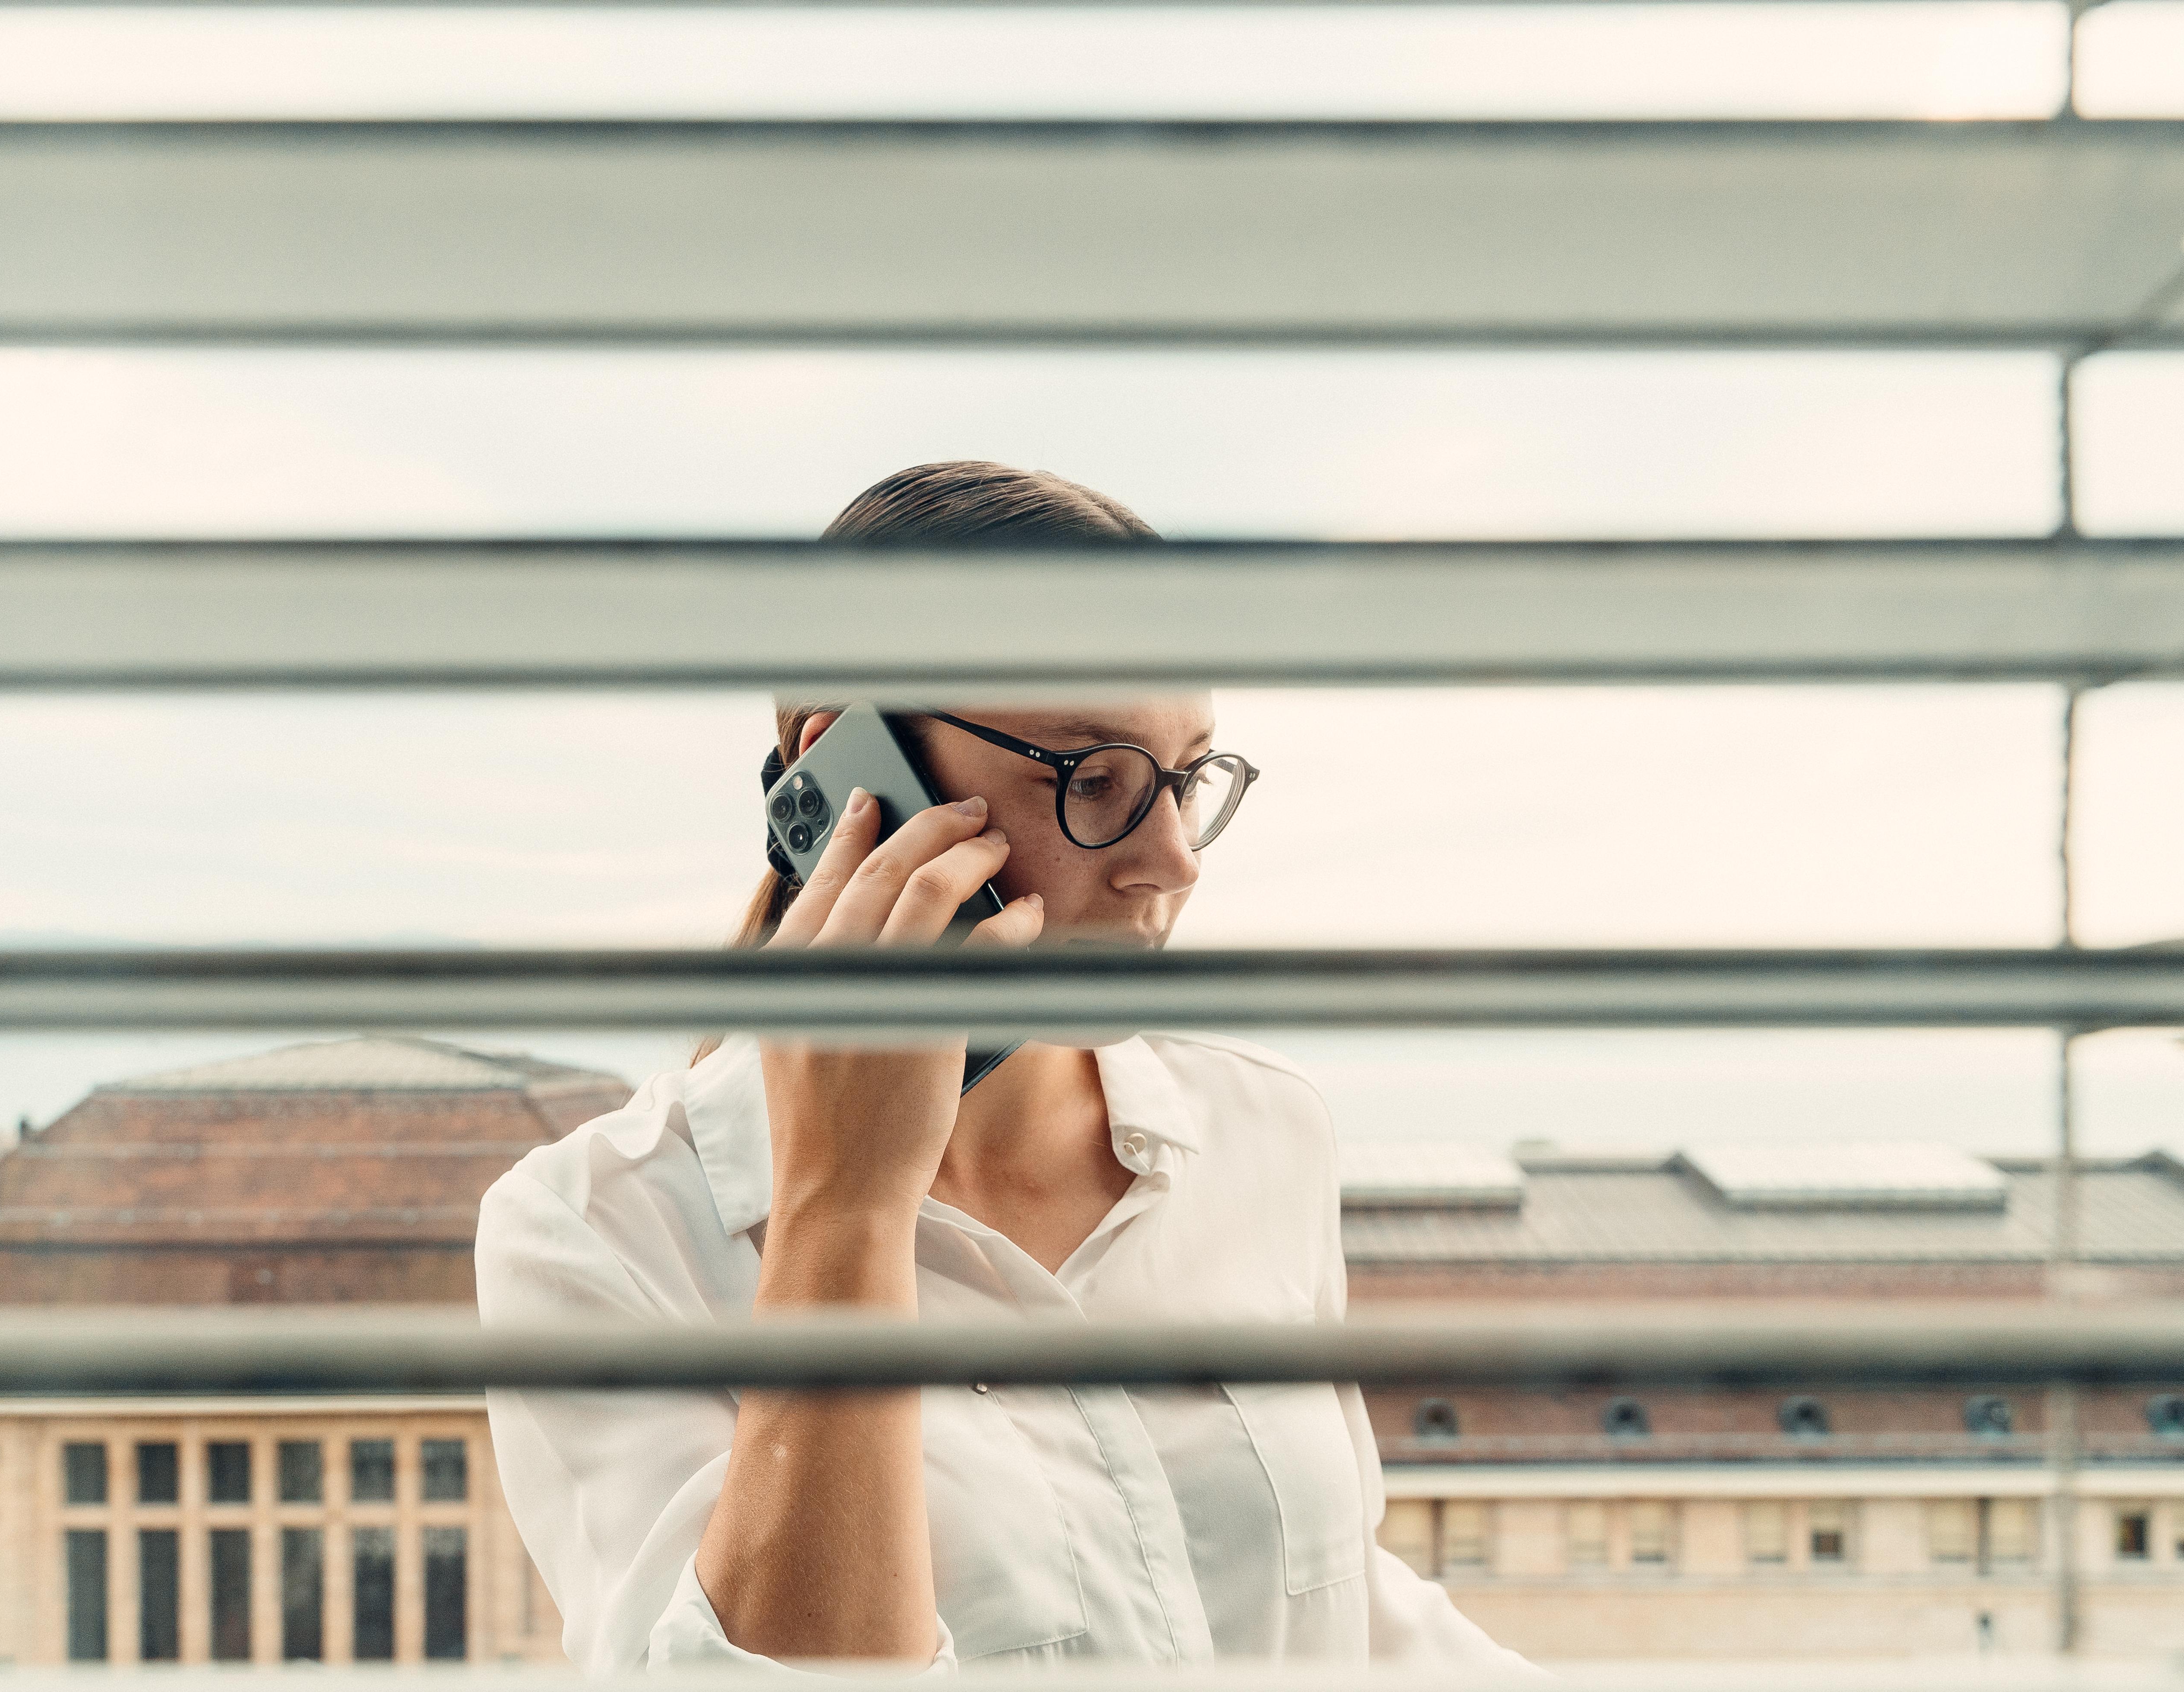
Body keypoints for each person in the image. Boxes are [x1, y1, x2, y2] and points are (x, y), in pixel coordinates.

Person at [476, 461, 1537, 1675]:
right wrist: (847, 1209)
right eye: (1094, 780)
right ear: (852, 771)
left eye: (1188, 778)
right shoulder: (601, 1235)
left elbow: (1329, 1605)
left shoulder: (1261, 1129)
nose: (1174, 860)